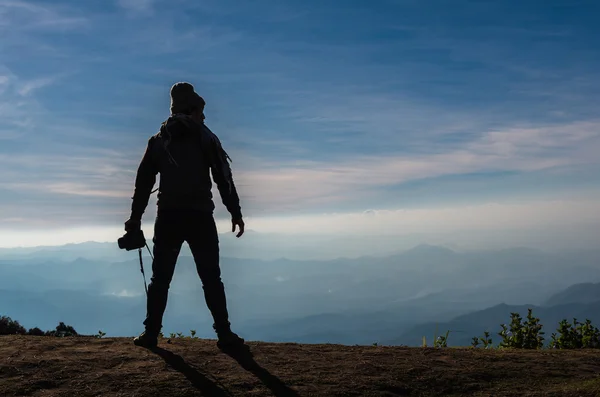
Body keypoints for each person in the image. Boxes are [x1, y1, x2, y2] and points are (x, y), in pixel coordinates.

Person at [124, 82, 246, 351]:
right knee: (211, 278)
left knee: (160, 280)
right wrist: (234, 211)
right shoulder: (205, 137)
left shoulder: (159, 140)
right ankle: (224, 335)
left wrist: (135, 218)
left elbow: (143, 182)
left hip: (167, 218)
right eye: (201, 111)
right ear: (191, 109)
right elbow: (223, 178)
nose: (204, 116)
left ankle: (150, 334)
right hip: (200, 217)